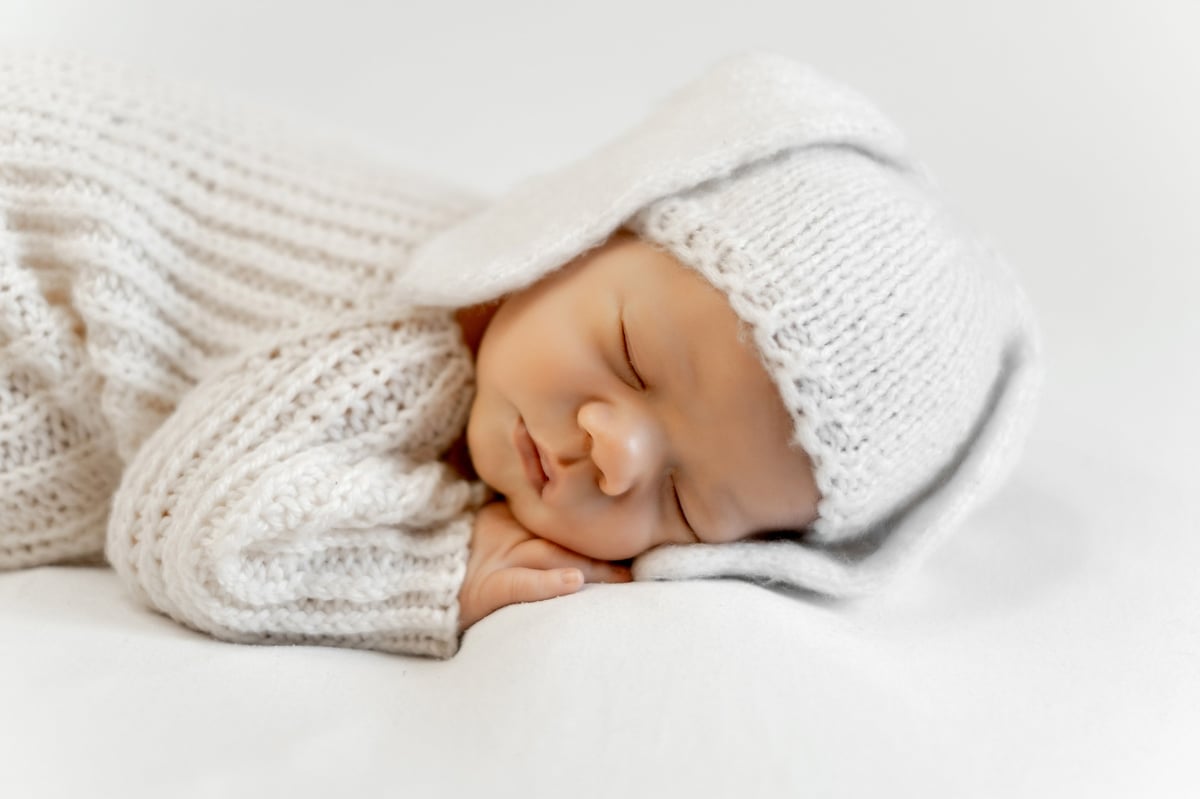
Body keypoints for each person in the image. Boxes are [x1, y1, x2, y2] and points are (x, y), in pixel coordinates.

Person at [0, 51, 1042, 658]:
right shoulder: (419, 345)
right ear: (584, 232)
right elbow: (186, 532)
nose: (616, 453)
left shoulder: (521, 347)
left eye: (682, 502)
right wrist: (438, 573)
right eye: (632, 355)